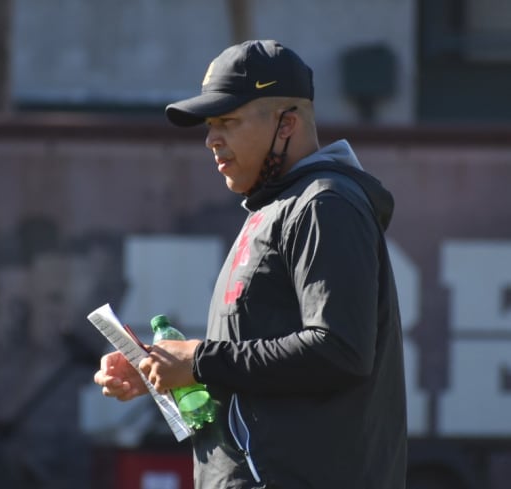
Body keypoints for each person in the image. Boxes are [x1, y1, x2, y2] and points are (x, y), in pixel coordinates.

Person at [94, 39, 407, 488]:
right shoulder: (274, 208)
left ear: (288, 124)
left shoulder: (325, 204)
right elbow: (260, 370)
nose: (211, 139)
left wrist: (200, 359)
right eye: (208, 125)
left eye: (228, 121)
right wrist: (165, 370)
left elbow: (340, 351)